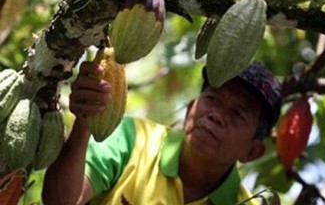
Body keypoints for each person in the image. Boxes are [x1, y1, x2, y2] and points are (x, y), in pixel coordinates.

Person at [42, 61, 282, 205]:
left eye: (238, 114)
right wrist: (85, 123)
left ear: (252, 152)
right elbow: (60, 202)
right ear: (191, 108)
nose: (218, 115)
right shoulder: (131, 138)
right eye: (212, 99)